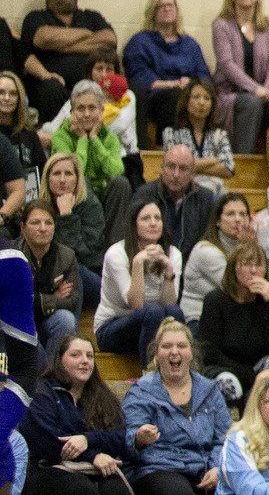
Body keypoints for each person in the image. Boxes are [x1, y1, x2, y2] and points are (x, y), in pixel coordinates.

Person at [121, 320, 231, 495]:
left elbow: (224, 439)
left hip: (203, 468)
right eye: (166, 346)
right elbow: (125, 439)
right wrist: (138, 438)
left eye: (181, 345)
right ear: (157, 354)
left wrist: (217, 467)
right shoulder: (142, 391)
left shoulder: (210, 390)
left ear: (191, 353)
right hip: (158, 468)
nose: (174, 352)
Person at [22, 333, 132, 495]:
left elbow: (119, 436)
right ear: (60, 360)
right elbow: (49, 441)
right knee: (82, 489)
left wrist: (87, 440)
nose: (85, 361)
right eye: (75, 355)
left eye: (89, 356)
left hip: (93, 468)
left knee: (116, 489)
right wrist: (92, 456)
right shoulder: (42, 392)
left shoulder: (103, 395)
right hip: (48, 468)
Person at [95, 198, 184, 361]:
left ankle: (176, 372)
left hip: (153, 326)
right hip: (112, 327)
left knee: (174, 312)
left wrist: (168, 270)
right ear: (133, 224)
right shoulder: (116, 254)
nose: (153, 223)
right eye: (145, 218)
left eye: (157, 218)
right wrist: (137, 262)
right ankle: (148, 377)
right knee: (152, 311)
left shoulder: (173, 254)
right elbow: (136, 305)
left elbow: (169, 304)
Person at [22, 0, 115, 122]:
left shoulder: (91, 16)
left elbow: (109, 39)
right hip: (53, 86)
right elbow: (44, 38)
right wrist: (85, 33)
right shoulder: (36, 17)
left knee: (130, 88)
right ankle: (58, 141)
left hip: (92, 83)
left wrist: (63, 46)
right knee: (51, 89)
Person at [196, 241, 269, 399]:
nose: (253, 271)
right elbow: (210, 352)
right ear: (234, 268)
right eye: (246, 264)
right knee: (227, 383)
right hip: (226, 368)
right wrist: (245, 373)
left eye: (259, 265)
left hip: (262, 368)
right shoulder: (215, 300)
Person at [121, 0, 209, 148]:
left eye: (170, 5)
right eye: (161, 6)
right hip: (154, 101)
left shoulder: (190, 44)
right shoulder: (140, 42)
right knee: (174, 96)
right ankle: (166, 148)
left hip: (189, 96)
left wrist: (191, 83)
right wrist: (174, 84)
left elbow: (204, 75)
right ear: (152, 12)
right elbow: (141, 80)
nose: (167, 9)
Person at [209, 0, 269, 156]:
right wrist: (254, 89)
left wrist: (267, 89)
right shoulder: (221, 25)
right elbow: (226, 64)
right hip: (231, 93)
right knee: (251, 103)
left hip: (264, 92)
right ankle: (243, 161)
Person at [50, 82, 129, 240]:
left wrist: (94, 140)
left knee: (121, 184)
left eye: (92, 108)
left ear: (101, 111)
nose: (86, 114)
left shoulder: (110, 138)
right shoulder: (60, 137)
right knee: (83, 181)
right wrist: (83, 140)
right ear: (72, 112)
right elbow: (74, 172)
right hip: (74, 198)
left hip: (103, 196)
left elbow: (116, 171)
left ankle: (113, 247)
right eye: (80, 108)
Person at [122, 146, 217, 264]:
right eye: (171, 167)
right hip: (152, 266)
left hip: (191, 270)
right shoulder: (144, 196)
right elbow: (130, 237)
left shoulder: (206, 199)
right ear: (162, 168)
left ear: (192, 172)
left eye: (183, 168)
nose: (176, 174)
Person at [180, 191, 252, 323]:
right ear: (218, 221)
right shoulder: (206, 251)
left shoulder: (248, 246)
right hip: (198, 320)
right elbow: (238, 289)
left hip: (229, 320)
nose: (238, 219)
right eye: (231, 214)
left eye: (243, 214)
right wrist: (248, 248)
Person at [44, 156, 106, 308]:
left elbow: (84, 254)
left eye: (69, 174)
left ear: (78, 179)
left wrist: (66, 217)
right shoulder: (41, 207)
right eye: (57, 174)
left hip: (89, 276)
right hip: (52, 277)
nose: (62, 179)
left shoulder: (90, 205)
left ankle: (71, 329)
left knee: (73, 269)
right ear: (47, 178)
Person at [22, 200, 81, 350]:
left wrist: (37, 299)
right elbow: (18, 301)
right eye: (35, 223)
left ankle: (54, 373)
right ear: (23, 228)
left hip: (47, 323)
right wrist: (53, 299)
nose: (43, 228)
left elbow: (72, 301)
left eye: (48, 223)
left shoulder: (66, 256)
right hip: (18, 325)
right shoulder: (13, 256)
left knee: (66, 319)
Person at [159, 81, 233, 198]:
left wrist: (193, 167)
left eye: (207, 98)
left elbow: (228, 169)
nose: (202, 102)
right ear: (186, 102)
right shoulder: (172, 133)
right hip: (183, 189)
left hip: (216, 191)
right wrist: (213, 160)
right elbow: (176, 166)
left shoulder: (220, 135)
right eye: (196, 97)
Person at [0, 72, 48, 207]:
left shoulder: (30, 136)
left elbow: (43, 173)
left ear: (20, 98)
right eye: (1, 92)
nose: (7, 98)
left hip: (29, 203)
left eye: (13, 93)